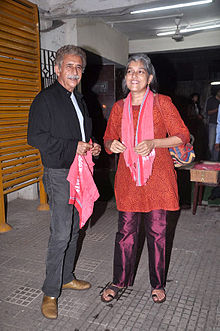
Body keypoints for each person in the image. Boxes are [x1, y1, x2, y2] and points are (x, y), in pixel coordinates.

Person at [101, 54, 190, 304]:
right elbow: (108, 138)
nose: (134, 76)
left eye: (140, 71)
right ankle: (119, 280)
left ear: (149, 78)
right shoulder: (119, 107)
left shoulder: (162, 103)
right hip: (129, 178)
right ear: (126, 77)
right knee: (125, 232)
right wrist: (113, 144)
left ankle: (158, 283)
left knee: (157, 233)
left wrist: (154, 142)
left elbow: (182, 135)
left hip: (158, 177)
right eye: (130, 71)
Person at [27, 45, 101, 319]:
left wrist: (92, 146)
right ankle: (50, 292)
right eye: (69, 66)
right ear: (57, 69)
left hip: (80, 170)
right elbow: (35, 137)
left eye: (79, 67)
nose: (75, 71)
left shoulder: (79, 100)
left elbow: (84, 134)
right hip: (59, 173)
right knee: (60, 234)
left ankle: (66, 276)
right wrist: (74, 147)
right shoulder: (45, 99)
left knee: (73, 229)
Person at [206, 87, 220, 160]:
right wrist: (218, 109)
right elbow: (208, 112)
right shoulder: (211, 100)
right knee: (211, 144)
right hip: (213, 124)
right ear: (217, 92)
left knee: (217, 144)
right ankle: (213, 159)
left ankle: (216, 160)